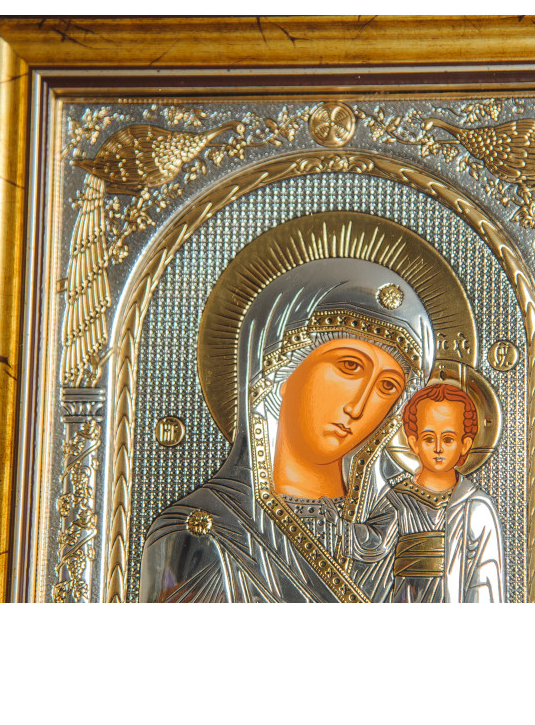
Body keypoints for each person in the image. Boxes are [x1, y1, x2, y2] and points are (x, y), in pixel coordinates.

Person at [139, 258, 435, 602]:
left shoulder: (403, 531)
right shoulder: (203, 529)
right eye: (349, 366)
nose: (358, 407)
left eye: (387, 386)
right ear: (280, 370)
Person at [338, 382, 505, 603]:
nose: (438, 448)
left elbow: (485, 578)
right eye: (428, 438)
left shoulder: (475, 506)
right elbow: (374, 545)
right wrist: (337, 527)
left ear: (465, 444)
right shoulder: (397, 500)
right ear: (413, 443)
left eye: (448, 439)